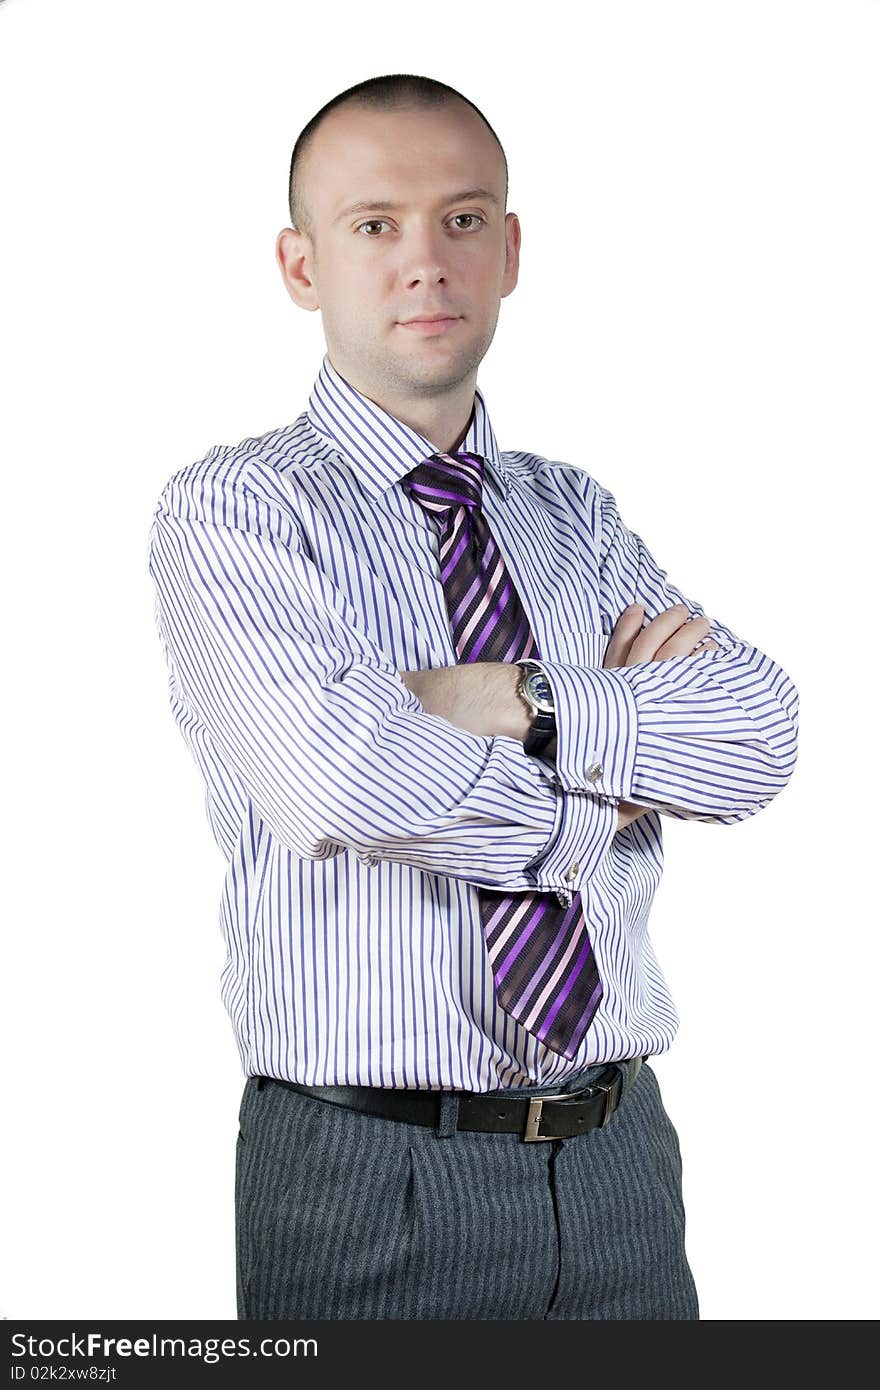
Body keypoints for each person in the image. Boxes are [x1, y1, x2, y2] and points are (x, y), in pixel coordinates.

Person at [147, 73, 799, 1321]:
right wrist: (606, 787)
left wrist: (520, 698)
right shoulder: (238, 511)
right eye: (373, 224)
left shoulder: (573, 514)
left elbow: (758, 738)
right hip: (368, 1177)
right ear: (302, 264)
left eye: (461, 220)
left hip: (619, 1163)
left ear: (508, 252)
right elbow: (337, 782)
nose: (424, 262)